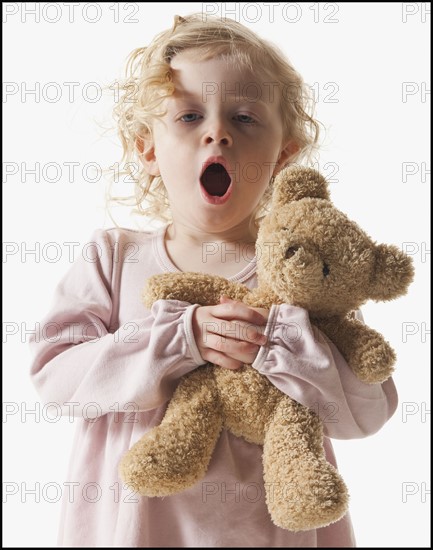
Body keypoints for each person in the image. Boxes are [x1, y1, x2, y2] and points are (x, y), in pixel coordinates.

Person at [29, 13, 397, 547]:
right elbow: (54, 377)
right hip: (131, 531)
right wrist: (177, 341)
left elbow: (367, 413)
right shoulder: (114, 258)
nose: (217, 132)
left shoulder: (305, 274)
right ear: (147, 149)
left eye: (245, 118)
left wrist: (282, 347)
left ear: (282, 156)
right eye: (188, 116)